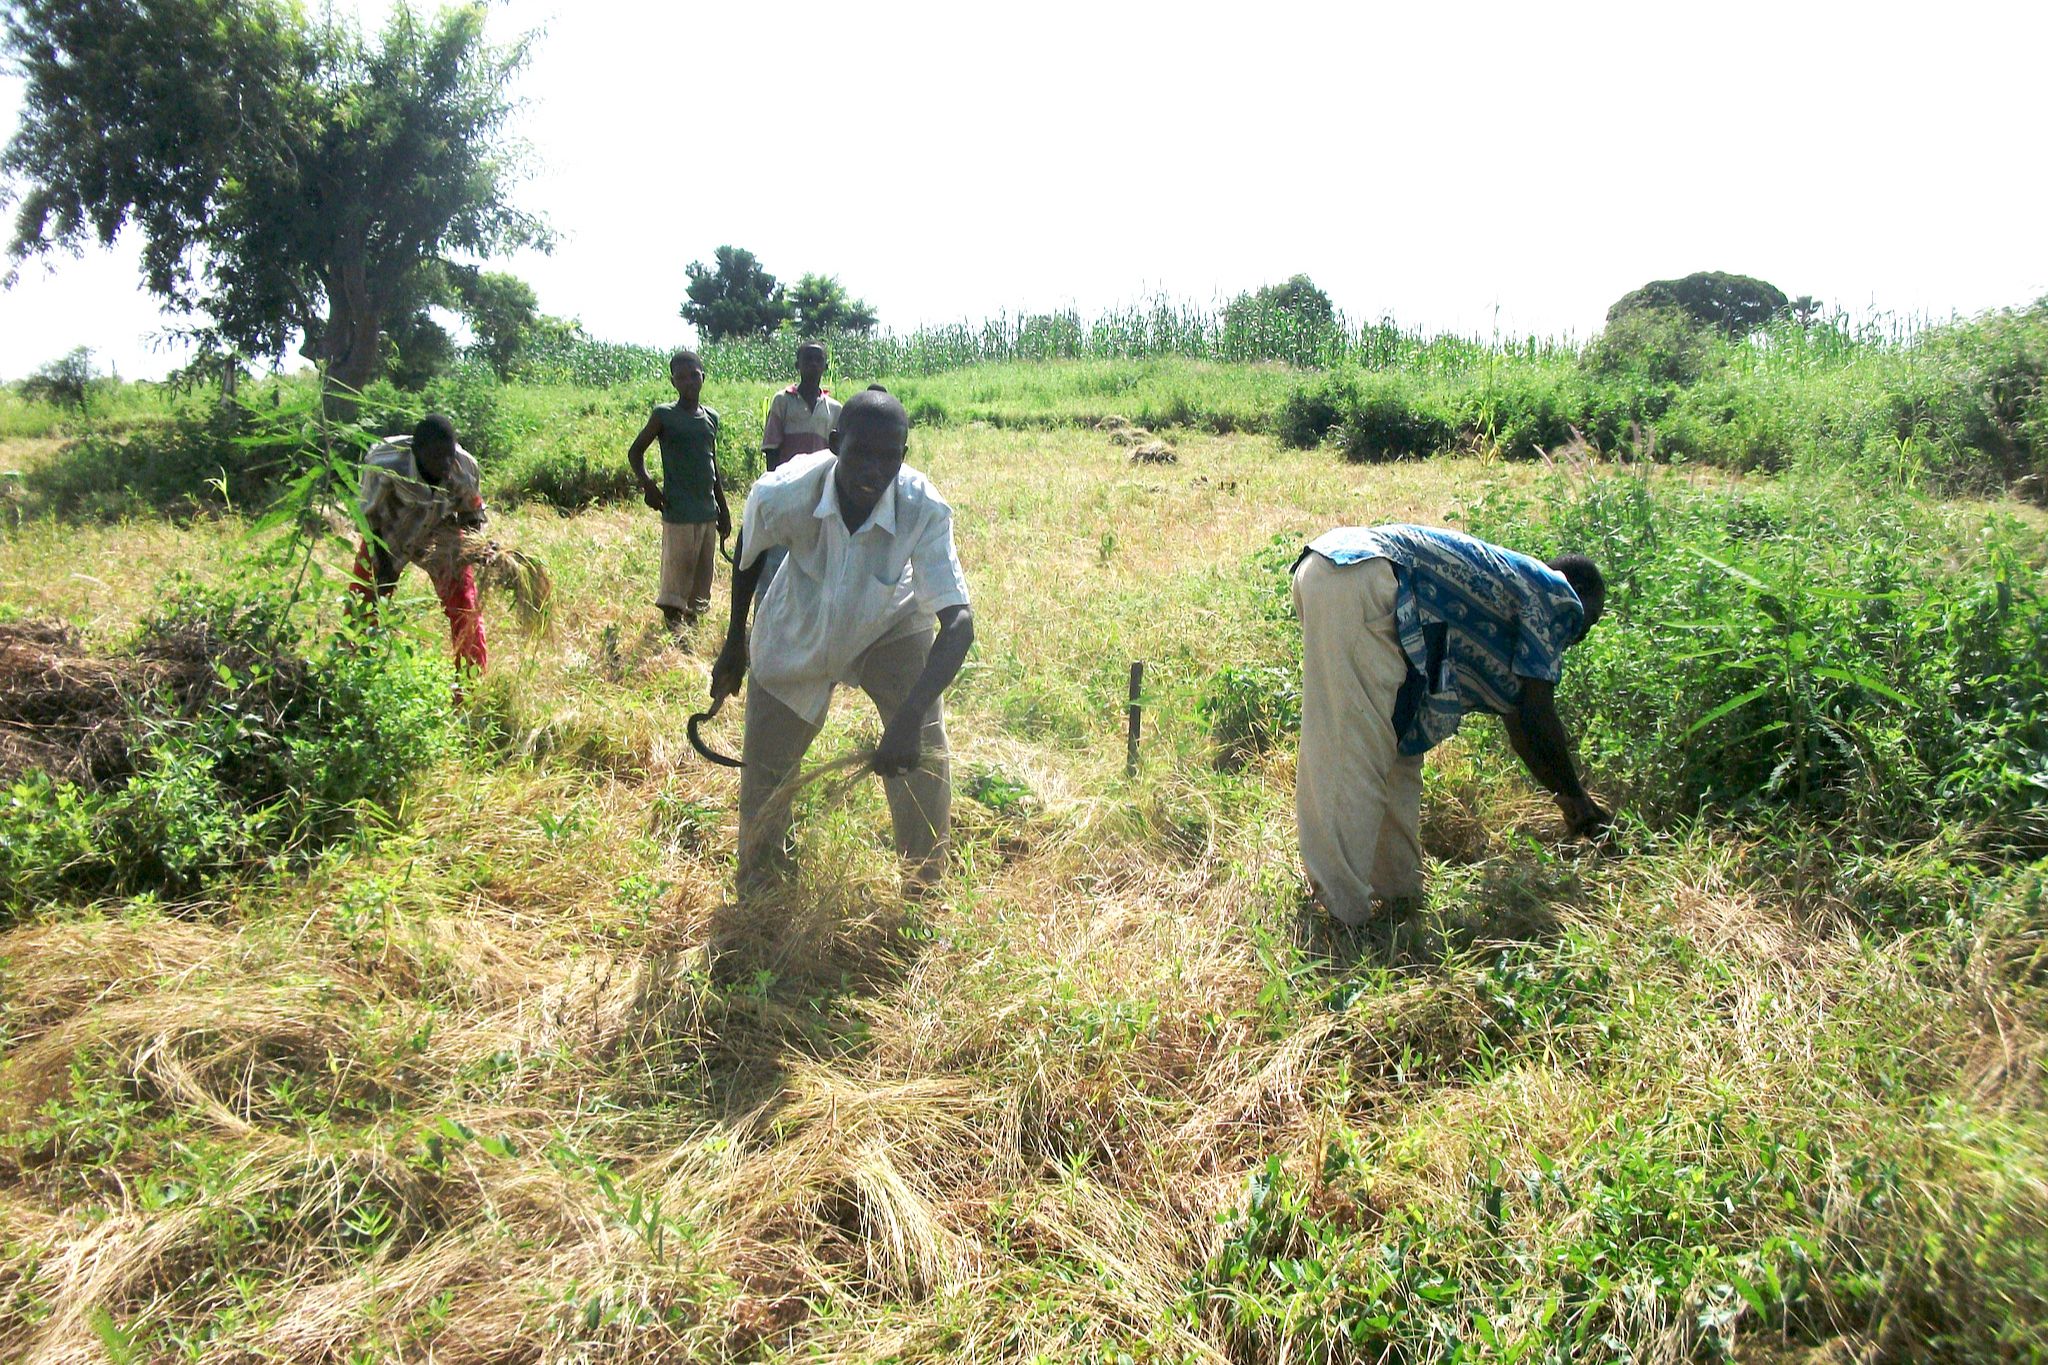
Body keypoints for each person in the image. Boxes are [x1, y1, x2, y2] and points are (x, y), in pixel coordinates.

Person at [710, 387, 974, 895]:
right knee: (766, 773)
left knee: (923, 753)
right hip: (798, 622)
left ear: (905, 455)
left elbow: (958, 622)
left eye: (889, 456)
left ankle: (923, 888)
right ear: (835, 443)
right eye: (861, 453)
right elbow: (748, 547)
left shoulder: (924, 507)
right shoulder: (784, 491)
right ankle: (762, 888)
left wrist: (910, 715)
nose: (873, 471)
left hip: (888, 624)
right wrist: (735, 643)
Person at [1291, 524, 1609, 927]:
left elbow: (1521, 720)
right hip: (1361, 575)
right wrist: (1579, 800)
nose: (1579, 635)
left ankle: (1398, 895)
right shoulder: (1557, 597)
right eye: (1589, 623)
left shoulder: (1514, 586)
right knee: (1349, 751)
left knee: (1396, 750)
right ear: (1582, 597)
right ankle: (1340, 915)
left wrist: (1569, 798)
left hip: (1345, 572)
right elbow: (1536, 715)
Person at [351, 413, 489, 675]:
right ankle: (356, 674)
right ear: (417, 452)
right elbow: (366, 517)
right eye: (437, 457)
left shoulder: (465, 467)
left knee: (465, 607)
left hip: (439, 531)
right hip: (389, 530)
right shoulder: (384, 463)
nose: (446, 463)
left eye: (449, 454)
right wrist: (383, 566)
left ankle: (469, 686)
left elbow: (472, 514)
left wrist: (472, 549)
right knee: (362, 604)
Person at [627, 350, 732, 631]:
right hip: (679, 512)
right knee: (676, 584)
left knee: (700, 582)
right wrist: (648, 485)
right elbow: (635, 452)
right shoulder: (664, 415)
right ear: (673, 382)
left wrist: (723, 508)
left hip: (707, 512)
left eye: (693, 375)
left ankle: (691, 634)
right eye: (681, 377)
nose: (688, 382)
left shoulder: (710, 417)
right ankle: (674, 635)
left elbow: (712, 466)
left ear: (703, 377)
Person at [760, 341, 840, 472]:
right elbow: (771, 448)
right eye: (808, 359)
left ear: (825, 366)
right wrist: (774, 483)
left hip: (818, 480)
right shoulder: (782, 400)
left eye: (818, 360)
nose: (813, 363)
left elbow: (836, 454)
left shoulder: (835, 409)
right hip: (788, 479)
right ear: (798, 365)